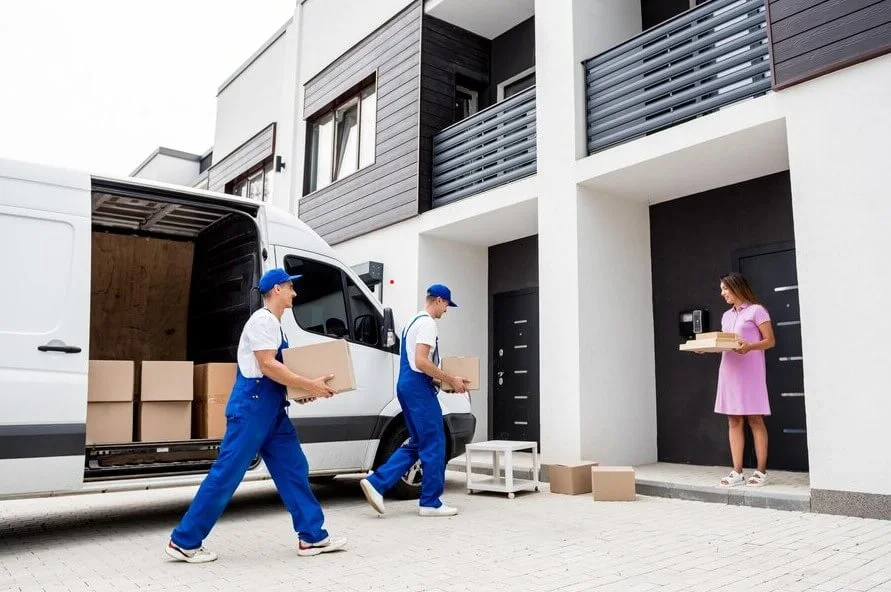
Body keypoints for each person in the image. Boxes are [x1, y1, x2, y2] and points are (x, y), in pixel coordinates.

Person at [165, 268, 347, 563]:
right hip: (252, 408)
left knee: (293, 469)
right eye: (290, 288)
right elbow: (268, 365)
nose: (294, 293)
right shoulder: (263, 321)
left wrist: (300, 393)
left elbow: (277, 373)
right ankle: (184, 541)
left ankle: (312, 537)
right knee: (227, 474)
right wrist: (308, 383)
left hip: (272, 409)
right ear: (276, 289)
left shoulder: (275, 325)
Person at [359, 284, 469, 517]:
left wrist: (443, 384)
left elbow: (415, 363)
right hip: (418, 388)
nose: (446, 310)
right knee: (435, 443)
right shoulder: (428, 323)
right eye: (447, 304)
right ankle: (430, 502)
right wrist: (450, 378)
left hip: (408, 386)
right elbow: (421, 362)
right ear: (439, 300)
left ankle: (377, 483)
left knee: (418, 442)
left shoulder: (412, 322)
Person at [714, 272, 776, 488]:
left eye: (725, 289)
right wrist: (707, 348)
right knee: (733, 419)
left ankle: (761, 471)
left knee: (755, 419)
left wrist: (750, 346)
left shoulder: (757, 310)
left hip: (750, 372)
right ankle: (737, 471)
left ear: (736, 287)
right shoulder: (726, 316)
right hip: (729, 370)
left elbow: (770, 341)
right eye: (721, 289)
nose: (722, 293)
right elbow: (726, 343)